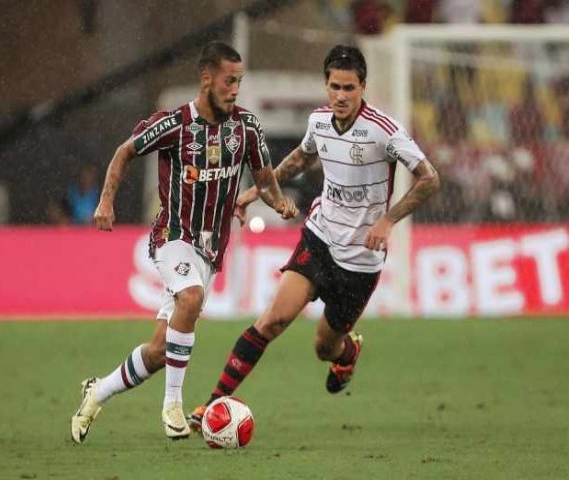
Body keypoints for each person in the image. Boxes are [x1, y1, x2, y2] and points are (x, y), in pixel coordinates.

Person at [187, 44, 440, 429]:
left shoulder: (383, 131)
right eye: (335, 87)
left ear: (363, 87)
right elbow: (302, 158)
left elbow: (429, 178)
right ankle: (212, 404)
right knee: (271, 321)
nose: (341, 95)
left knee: (324, 347)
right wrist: (258, 191)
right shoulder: (319, 122)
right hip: (318, 238)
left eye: (349, 88)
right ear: (326, 85)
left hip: (360, 261)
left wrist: (387, 221)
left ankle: (347, 351)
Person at [70, 41, 298, 444]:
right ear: (206, 78)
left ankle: (97, 392)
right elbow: (125, 152)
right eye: (229, 81)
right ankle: (172, 405)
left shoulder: (246, 127)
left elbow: (263, 177)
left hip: (211, 249)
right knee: (190, 299)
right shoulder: (174, 124)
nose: (235, 89)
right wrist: (106, 200)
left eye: (239, 82)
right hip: (173, 236)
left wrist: (278, 201)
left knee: (160, 351)